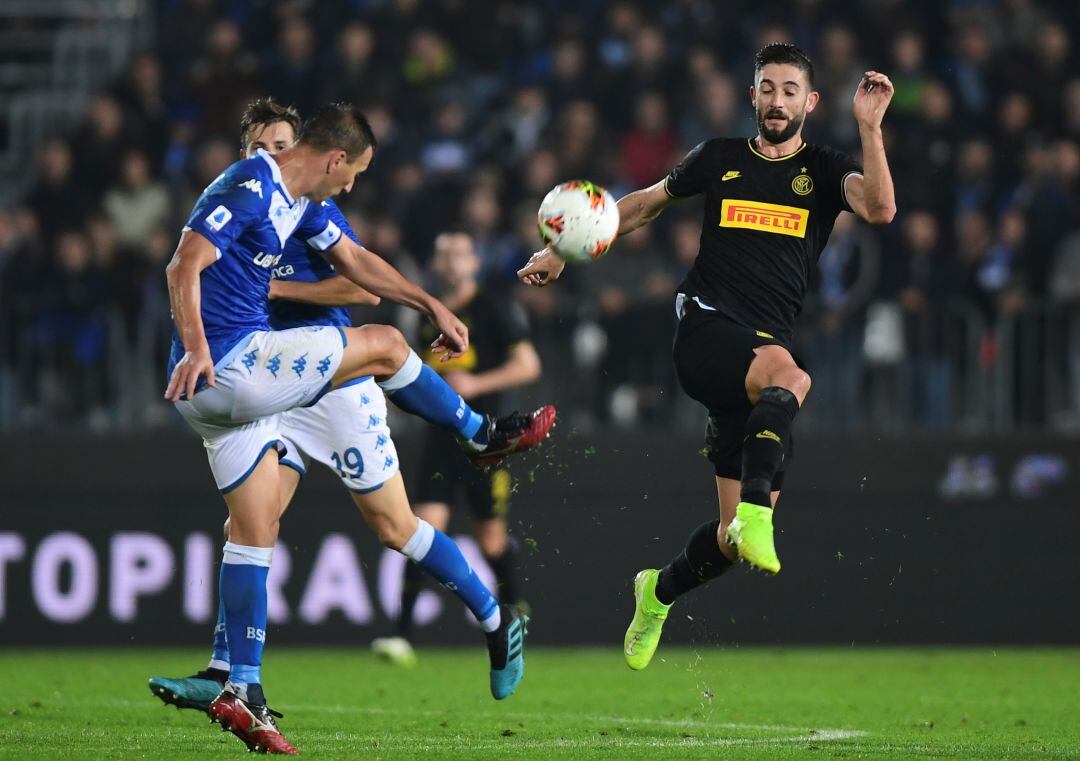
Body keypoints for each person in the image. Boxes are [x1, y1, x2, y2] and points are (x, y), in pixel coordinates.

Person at [165, 102, 554, 754]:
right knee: (258, 516)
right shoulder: (250, 190)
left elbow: (360, 270)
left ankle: (491, 616)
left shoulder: (303, 203)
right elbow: (184, 264)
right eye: (265, 143)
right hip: (252, 372)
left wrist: (428, 302)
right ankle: (478, 432)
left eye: (284, 140)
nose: (348, 187)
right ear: (327, 157)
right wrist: (198, 342)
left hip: (302, 385)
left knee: (360, 525)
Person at [518, 43, 896, 670]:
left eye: (790, 91)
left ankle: (657, 593)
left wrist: (869, 128)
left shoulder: (826, 171)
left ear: (810, 101)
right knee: (794, 377)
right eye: (767, 88)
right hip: (706, 328)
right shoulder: (719, 158)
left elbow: (881, 209)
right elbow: (641, 205)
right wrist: (567, 250)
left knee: (731, 544)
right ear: (752, 96)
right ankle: (754, 513)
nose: (777, 101)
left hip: (753, 369)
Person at [372, 232, 542, 666]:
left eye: (460, 254)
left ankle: (516, 613)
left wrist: (476, 385)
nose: (451, 262)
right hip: (439, 439)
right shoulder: (428, 314)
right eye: (444, 254)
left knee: (490, 540)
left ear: (474, 262)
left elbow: (529, 365)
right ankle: (401, 635)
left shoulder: (493, 307)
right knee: (422, 529)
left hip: (486, 439)